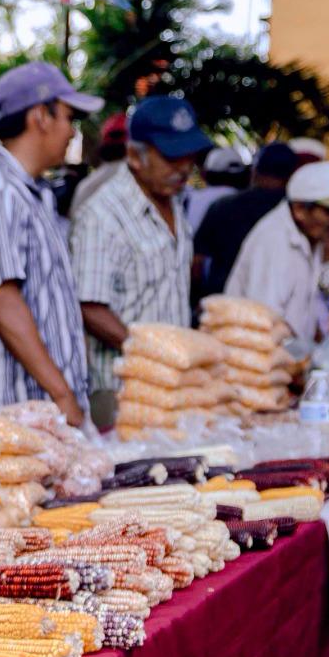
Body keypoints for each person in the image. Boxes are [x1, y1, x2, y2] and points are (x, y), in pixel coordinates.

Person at [0, 61, 99, 428]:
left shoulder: (30, 195)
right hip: (16, 422)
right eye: (68, 118)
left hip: (43, 419)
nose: (72, 133)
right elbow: (3, 301)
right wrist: (63, 397)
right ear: (40, 117)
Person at [73, 95, 212, 425]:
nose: (184, 167)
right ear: (135, 156)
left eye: (189, 155)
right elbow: (89, 305)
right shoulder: (102, 214)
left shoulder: (174, 203)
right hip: (124, 389)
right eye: (172, 157)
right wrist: (150, 353)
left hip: (174, 383)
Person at [225, 160, 329, 344]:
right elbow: (265, 323)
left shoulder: (311, 236)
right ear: (300, 209)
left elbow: (304, 307)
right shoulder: (274, 242)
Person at [193, 140, 303, 302]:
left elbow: (197, 261)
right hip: (272, 307)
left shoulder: (223, 206)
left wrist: (197, 300)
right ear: (292, 176)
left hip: (220, 303)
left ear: (255, 170)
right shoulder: (296, 213)